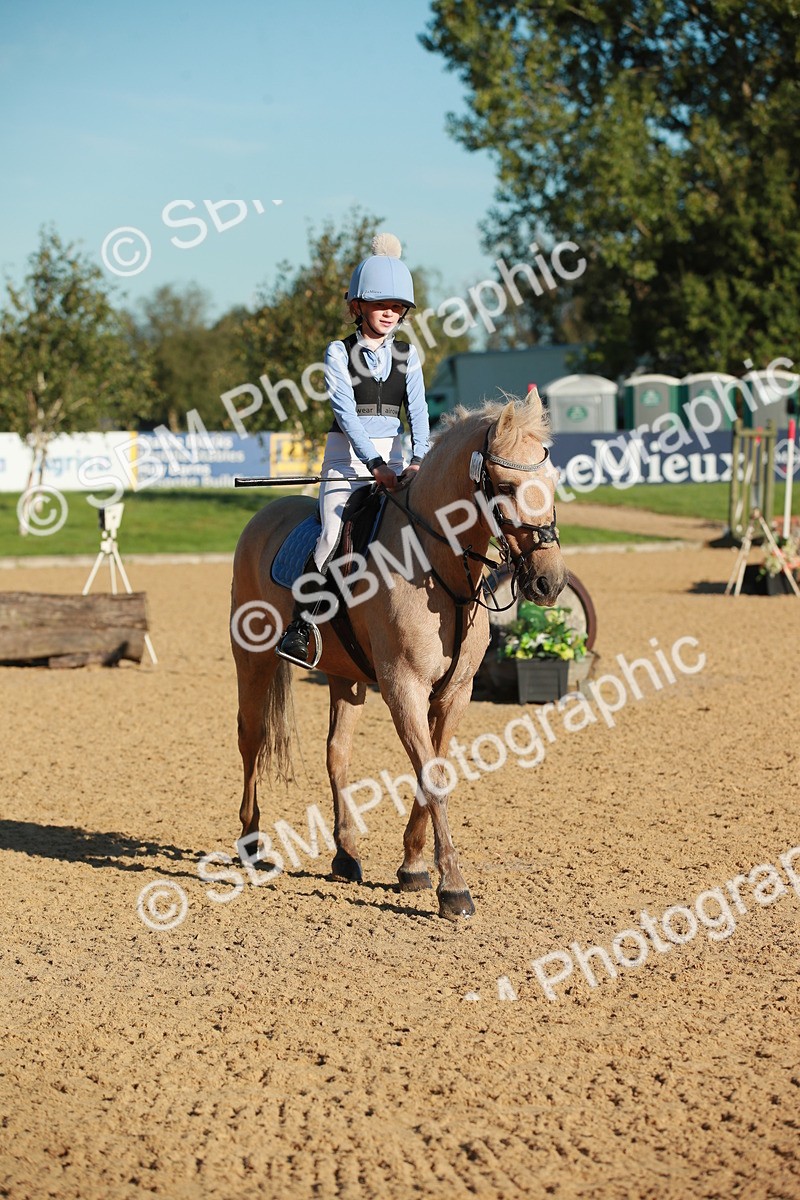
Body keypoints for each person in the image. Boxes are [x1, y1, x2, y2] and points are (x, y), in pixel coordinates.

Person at [277, 233, 430, 666]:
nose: (390, 312)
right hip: (346, 461)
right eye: (381, 304)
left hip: (396, 461)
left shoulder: (408, 355)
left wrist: (418, 459)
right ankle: (301, 626)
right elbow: (345, 414)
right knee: (330, 535)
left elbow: (418, 411)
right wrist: (373, 463)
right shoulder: (338, 352)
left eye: (397, 306)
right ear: (358, 306)